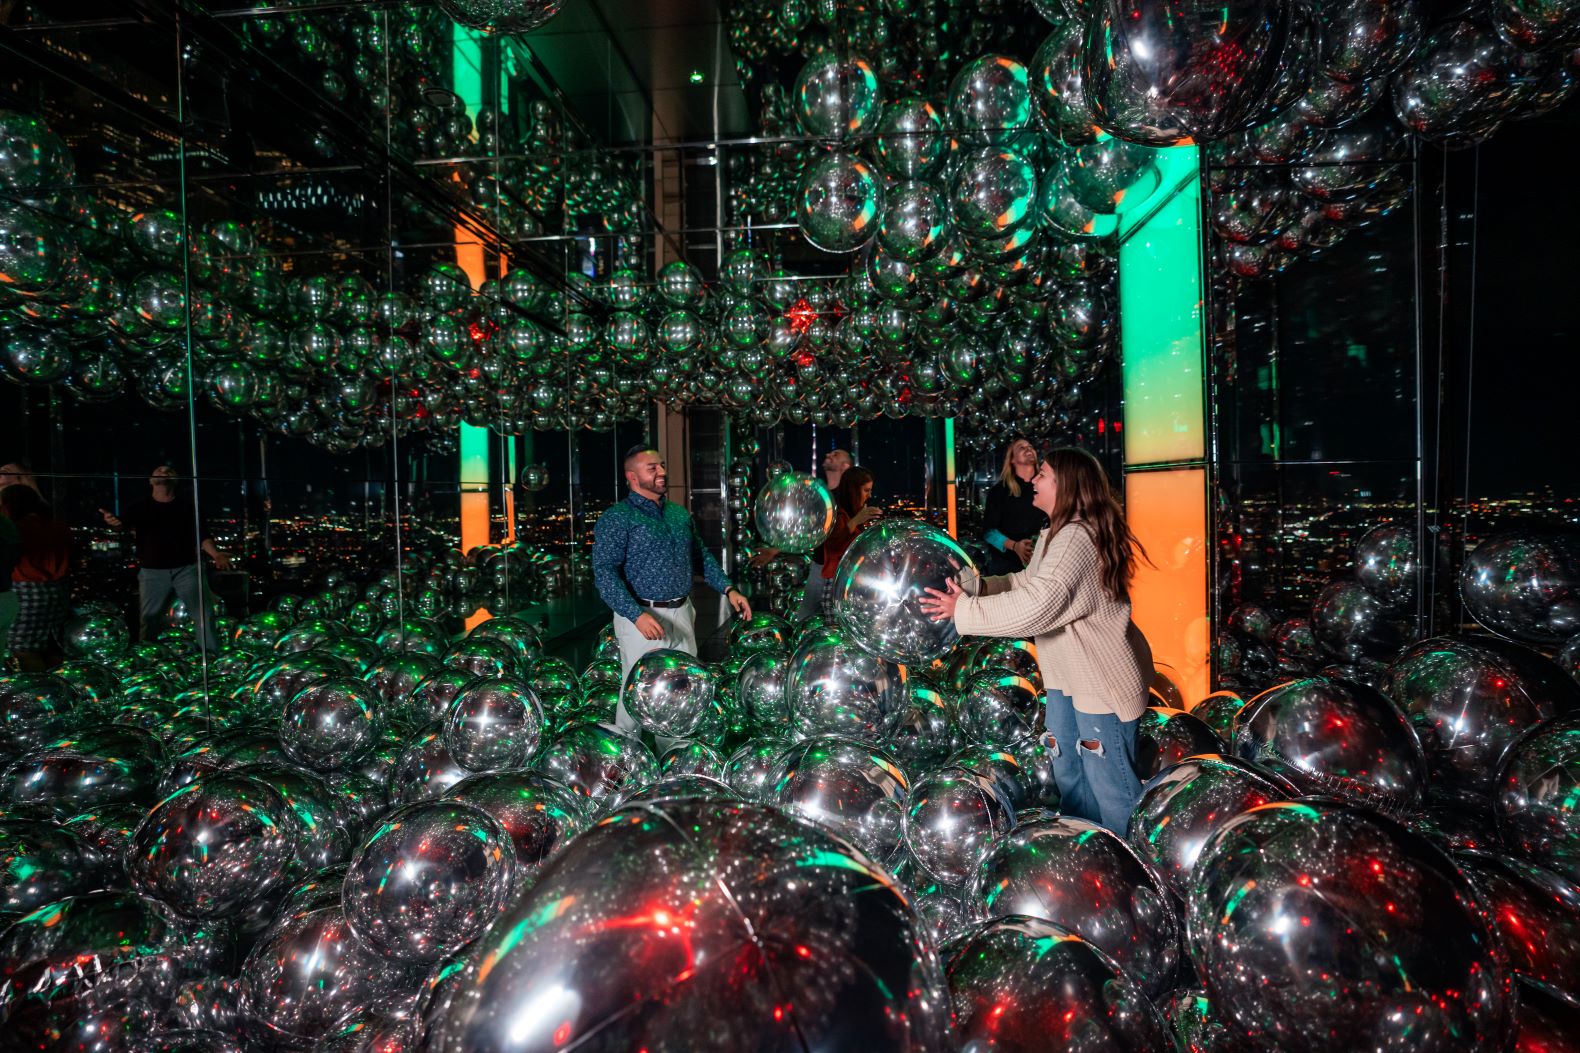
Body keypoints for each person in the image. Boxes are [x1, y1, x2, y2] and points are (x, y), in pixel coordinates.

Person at [920, 447, 1153, 835]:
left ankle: (1131, 868)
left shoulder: (1078, 536)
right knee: (1071, 776)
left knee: (1112, 789)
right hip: (1068, 680)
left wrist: (963, 613)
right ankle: (1087, 854)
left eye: (1042, 474)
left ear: (1065, 485)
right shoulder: (1055, 533)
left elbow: (1040, 604)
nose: (1033, 480)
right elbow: (1024, 583)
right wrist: (975, 589)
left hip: (1099, 683)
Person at [592, 444, 752, 732]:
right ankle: (626, 758)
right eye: (652, 468)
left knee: (682, 691)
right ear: (632, 476)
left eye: (662, 465)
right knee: (638, 691)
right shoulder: (617, 518)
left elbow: (700, 556)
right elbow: (604, 574)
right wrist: (635, 615)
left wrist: (730, 590)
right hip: (642, 616)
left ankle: (676, 756)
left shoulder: (678, 515)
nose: (662, 472)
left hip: (682, 613)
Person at [100, 465, 232, 654]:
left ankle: (209, 657)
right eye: (159, 471)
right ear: (151, 480)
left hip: (187, 569)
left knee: (203, 615)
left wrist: (216, 555)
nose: (164, 472)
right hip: (152, 571)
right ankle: (147, 659)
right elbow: (121, 525)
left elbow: (202, 535)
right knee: (149, 619)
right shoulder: (140, 506)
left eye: (169, 471)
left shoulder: (188, 506)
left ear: (176, 480)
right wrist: (114, 523)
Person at [750, 447, 853, 620]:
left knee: (838, 620)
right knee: (805, 618)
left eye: (835, 455)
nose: (828, 454)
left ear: (845, 466)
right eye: (830, 452)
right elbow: (804, 532)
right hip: (818, 566)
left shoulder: (848, 498)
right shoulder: (817, 498)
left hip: (839, 570)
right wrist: (775, 550)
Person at [1, 485, 72, 671]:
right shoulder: (57, 527)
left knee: (23, 649)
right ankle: (60, 688)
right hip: (58, 591)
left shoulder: (15, 529)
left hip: (26, 592)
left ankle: (40, 693)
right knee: (50, 647)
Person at [981, 436, 1047, 576]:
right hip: (1006, 565)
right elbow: (988, 532)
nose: (1028, 449)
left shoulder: (1045, 487)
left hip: (1041, 560)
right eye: (1022, 447)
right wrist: (1015, 546)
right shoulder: (999, 491)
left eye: (1030, 446)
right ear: (1011, 459)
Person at [820, 466, 878, 610]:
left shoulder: (853, 516)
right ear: (853, 491)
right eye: (866, 490)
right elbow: (833, 546)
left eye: (870, 491)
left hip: (850, 585)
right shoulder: (837, 515)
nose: (869, 496)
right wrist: (856, 520)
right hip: (837, 585)